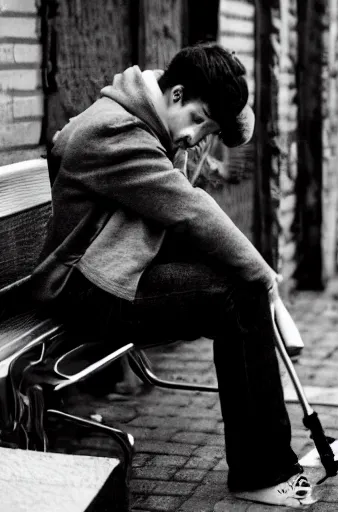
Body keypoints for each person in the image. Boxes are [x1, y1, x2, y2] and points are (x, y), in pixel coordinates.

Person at [30, 42, 314, 508]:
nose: (198, 136)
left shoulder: (144, 115)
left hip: (114, 272)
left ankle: (265, 461)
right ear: (176, 94)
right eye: (200, 119)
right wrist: (267, 280)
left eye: (209, 130)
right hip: (83, 290)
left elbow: (188, 180)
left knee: (235, 288)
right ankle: (262, 470)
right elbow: (189, 210)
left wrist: (219, 116)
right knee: (239, 295)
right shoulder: (117, 132)